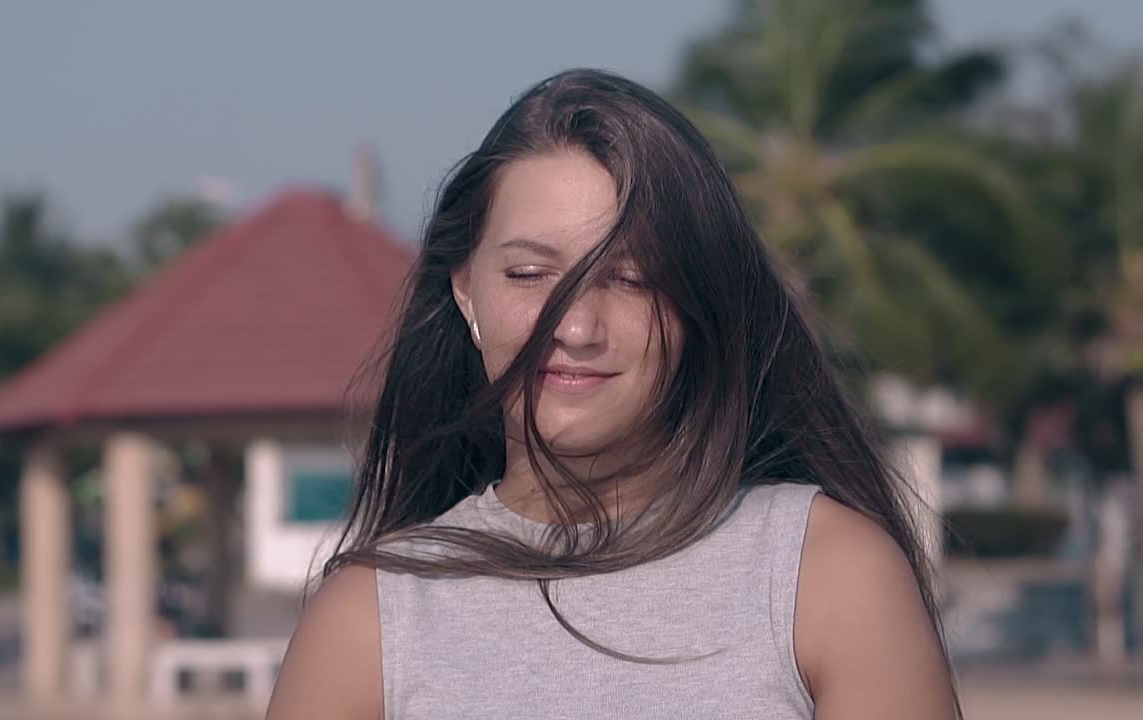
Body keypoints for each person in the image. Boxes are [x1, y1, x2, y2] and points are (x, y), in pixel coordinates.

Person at [267, 68, 957, 719]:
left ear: (699, 306)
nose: (575, 326)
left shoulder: (828, 575)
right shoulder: (371, 618)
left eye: (630, 279)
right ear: (466, 292)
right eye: (530, 274)